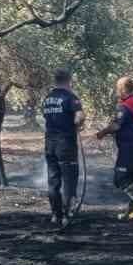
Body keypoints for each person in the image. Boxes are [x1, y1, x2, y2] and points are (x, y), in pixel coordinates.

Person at [97, 75, 133, 220]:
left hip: (130, 149)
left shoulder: (125, 105)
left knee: (120, 178)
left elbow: (116, 125)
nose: (117, 92)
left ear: (122, 89)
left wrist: (102, 133)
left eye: (118, 89)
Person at [41, 68, 84, 229]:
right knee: (69, 180)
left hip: (49, 144)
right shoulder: (70, 97)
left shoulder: (47, 98)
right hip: (66, 144)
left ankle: (55, 215)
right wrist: (77, 125)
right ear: (68, 80)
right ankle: (67, 215)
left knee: (53, 180)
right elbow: (80, 116)